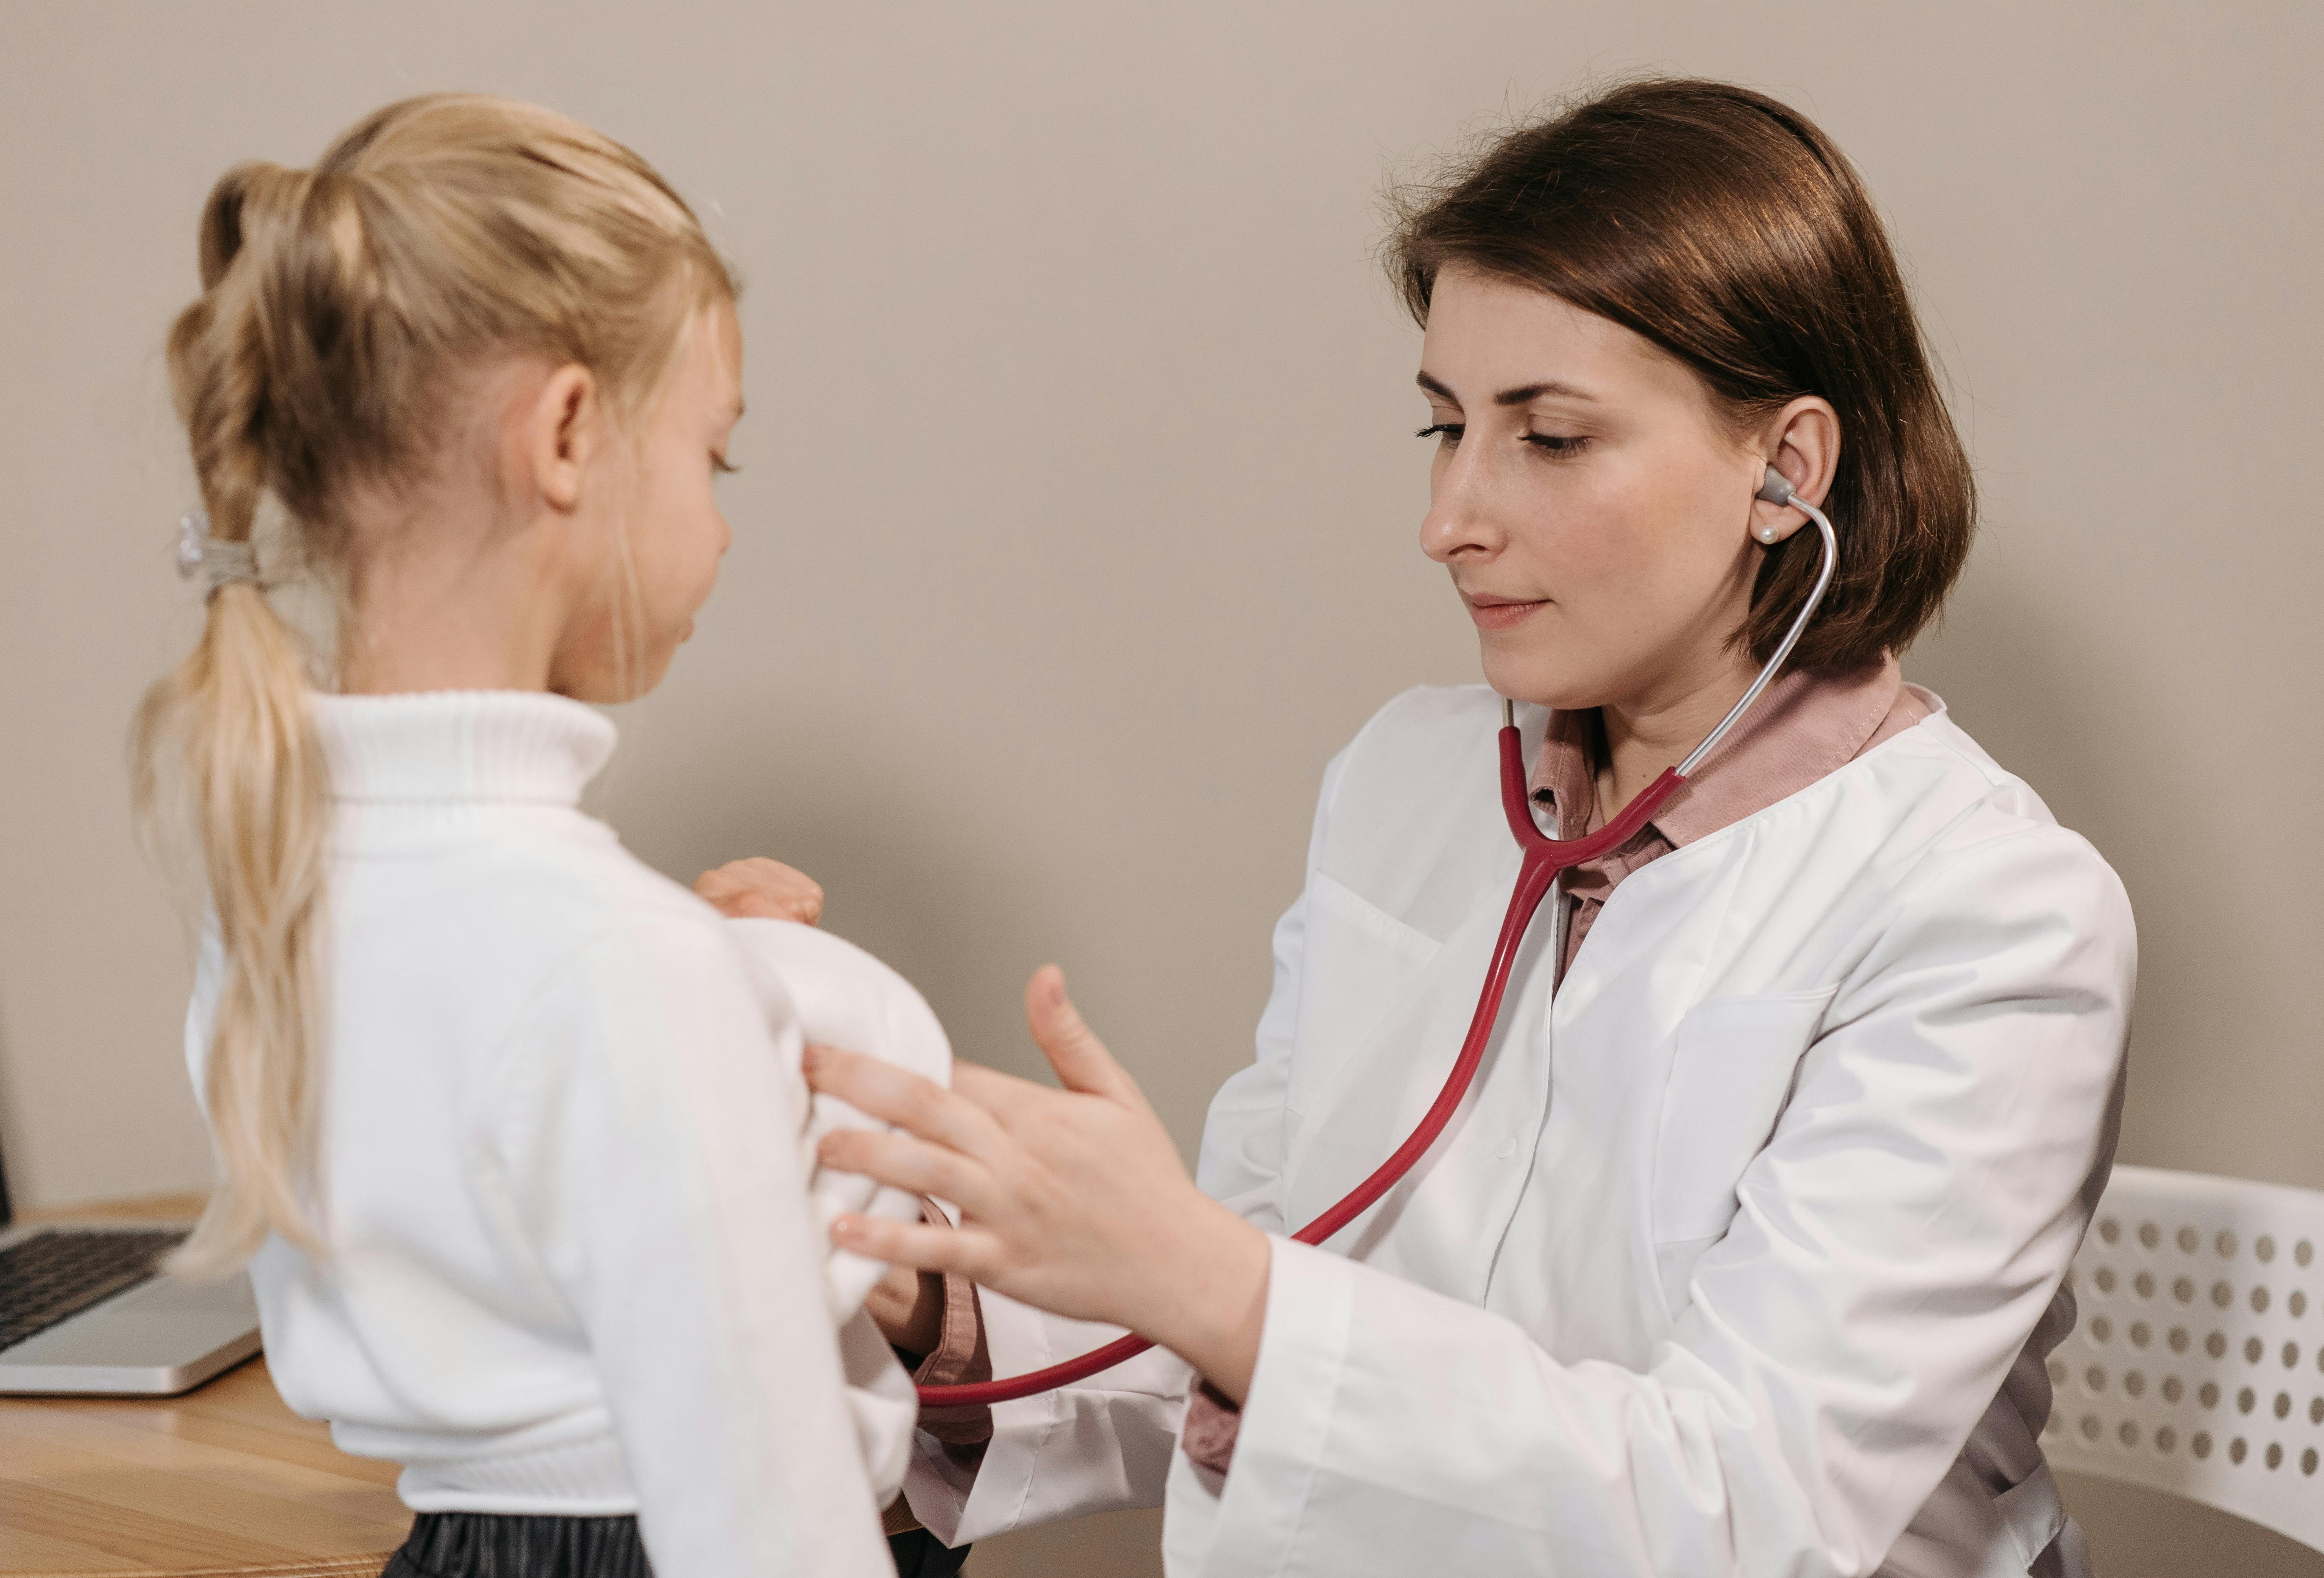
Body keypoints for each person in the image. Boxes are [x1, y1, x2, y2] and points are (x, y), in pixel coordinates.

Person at [795, 77, 2137, 1576]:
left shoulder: (1990, 916)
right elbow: (1246, 1317)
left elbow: (1743, 1510)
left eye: (1549, 438)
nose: (1450, 517)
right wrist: (927, 1281)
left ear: (1787, 471)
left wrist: (1220, 1284)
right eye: (1446, 428)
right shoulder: (1407, 784)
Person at [138, 94, 946, 1578]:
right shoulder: (622, 966)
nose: (721, 523)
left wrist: (720, 996)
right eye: (718, 457)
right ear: (568, 435)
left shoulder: (270, 891)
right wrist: (702, 1006)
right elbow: (771, 1534)